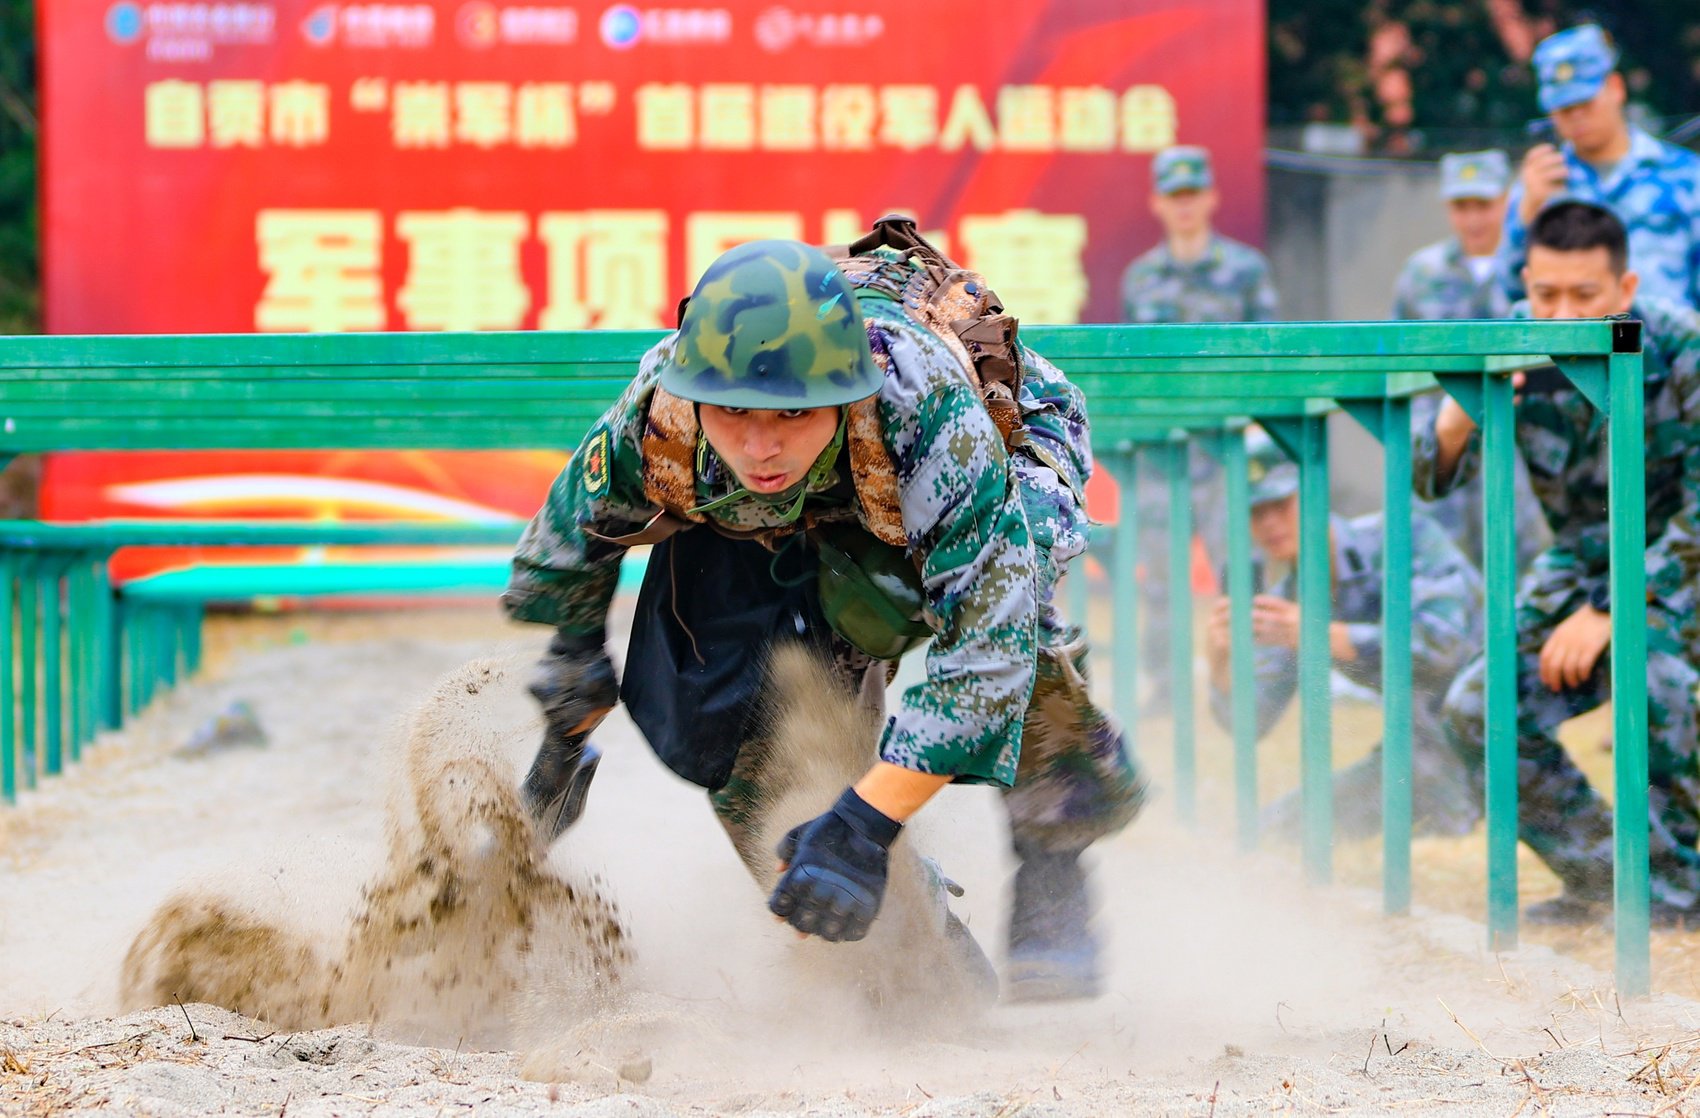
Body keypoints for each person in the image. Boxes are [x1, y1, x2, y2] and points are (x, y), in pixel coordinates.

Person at [503, 233, 1146, 1000]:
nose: (762, 443)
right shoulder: (660, 415)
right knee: (739, 708)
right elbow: (576, 542)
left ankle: (1052, 850)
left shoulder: (924, 405)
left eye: (792, 413)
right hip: (785, 517)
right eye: (734, 412)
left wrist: (866, 827)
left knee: (1014, 607)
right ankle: (915, 932)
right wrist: (572, 688)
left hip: (983, 455)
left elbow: (987, 650)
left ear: (841, 393)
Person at [1418, 201, 1700, 925]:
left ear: (1625, 287)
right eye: (1546, 295)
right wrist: (1460, 414)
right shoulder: (1516, 341)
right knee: (1478, 707)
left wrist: (1615, 611)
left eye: (1585, 296)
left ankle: (1678, 895)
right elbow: (1430, 479)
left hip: (1677, 567)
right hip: (1579, 562)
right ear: (1526, 282)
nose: (1563, 312)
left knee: (1659, 683)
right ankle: (1603, 878)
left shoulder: (1684, 351)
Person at [1203, 429, 1483, 840]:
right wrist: (1220, 664)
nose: (1269, 523)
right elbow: (1253, 722)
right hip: (1421, 750)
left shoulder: (1403, 537)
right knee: (1271, 832)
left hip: (1498, 727)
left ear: (1314, 496)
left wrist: (1320, 636)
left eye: (1280, 504)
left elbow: (1441, 648)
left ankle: (1460, 807)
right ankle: (1449, 808)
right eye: (1255, 512)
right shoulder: (1289, 602)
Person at [1120, 145, 1279, 714]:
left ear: (1210, 198)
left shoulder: (1244, 271)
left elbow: (1268, 356)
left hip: (1227, 450)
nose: (1185, 206)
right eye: (1174, 196)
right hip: (1162, 455)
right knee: (1160, 582)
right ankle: (1165, 690)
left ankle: (1253, 682)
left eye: (1193, 195)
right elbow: (1135, 370)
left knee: (1240, 571)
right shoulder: (1141, 278)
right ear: (1158, 203)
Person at [1394, 150, 1551, 573]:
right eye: (1462, 206)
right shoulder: (1421, 274)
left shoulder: (1534, 268)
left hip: (1516, 443)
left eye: (1483, 204)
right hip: (1442, 443)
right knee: (1441, 567)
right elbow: (1397, 366)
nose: (1473, 219)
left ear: (1506, 200)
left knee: (1524, 565)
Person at [1496, 23, 1700, 310]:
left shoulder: (1685, 176)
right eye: (1565, 108)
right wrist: (1526, 217)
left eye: (1586, 102)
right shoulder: (1543, 181)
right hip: (1575, 349)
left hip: (1667, 348)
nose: (1577, 117)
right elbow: (1510, 292)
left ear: (1616, 88)